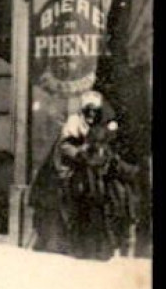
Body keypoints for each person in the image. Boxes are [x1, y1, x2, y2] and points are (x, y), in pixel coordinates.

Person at [56, 90, 134, 260]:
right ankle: (77, 246)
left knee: (109, 200)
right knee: (78, 202)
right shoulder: (74, 122)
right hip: (78, 170)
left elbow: (105, 144)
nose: (91, 115)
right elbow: (65, 146)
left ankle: (104, 246)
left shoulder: (100, 124)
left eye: (95, 111)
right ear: (83, 110)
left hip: (96, 171)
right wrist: (79, 153)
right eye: (88, 111)